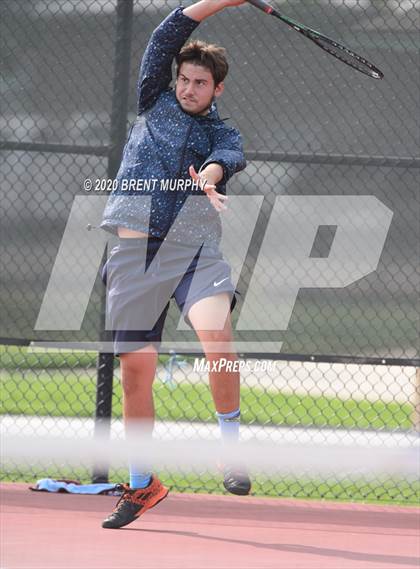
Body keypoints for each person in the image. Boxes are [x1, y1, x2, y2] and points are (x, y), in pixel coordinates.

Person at [100, 0, 249, 530]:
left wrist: (207, 176)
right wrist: (223, 0)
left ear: (217, 89)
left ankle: (230, 447)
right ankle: (142, 485)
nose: (188, 88)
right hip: (133, 251)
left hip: (193, 249)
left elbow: (226, 159)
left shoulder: (223, 134)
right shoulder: (152, 100)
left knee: (218, 336)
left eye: (200, 83)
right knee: (135, 372)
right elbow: (168, 31)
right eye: (184, 79)